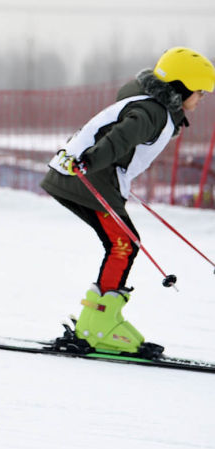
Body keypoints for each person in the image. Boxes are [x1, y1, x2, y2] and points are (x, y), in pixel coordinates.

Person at [41, 47, 214, 356]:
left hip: (87, 176)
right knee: (124, 243)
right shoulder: (153, 113)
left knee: (124, 242)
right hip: (86, 177)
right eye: (200, 92)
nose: (202, 98)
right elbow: (120, 137)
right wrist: (89, 162)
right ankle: (97, 326)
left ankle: (99, 320)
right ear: (182, 87)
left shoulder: (151, 105)